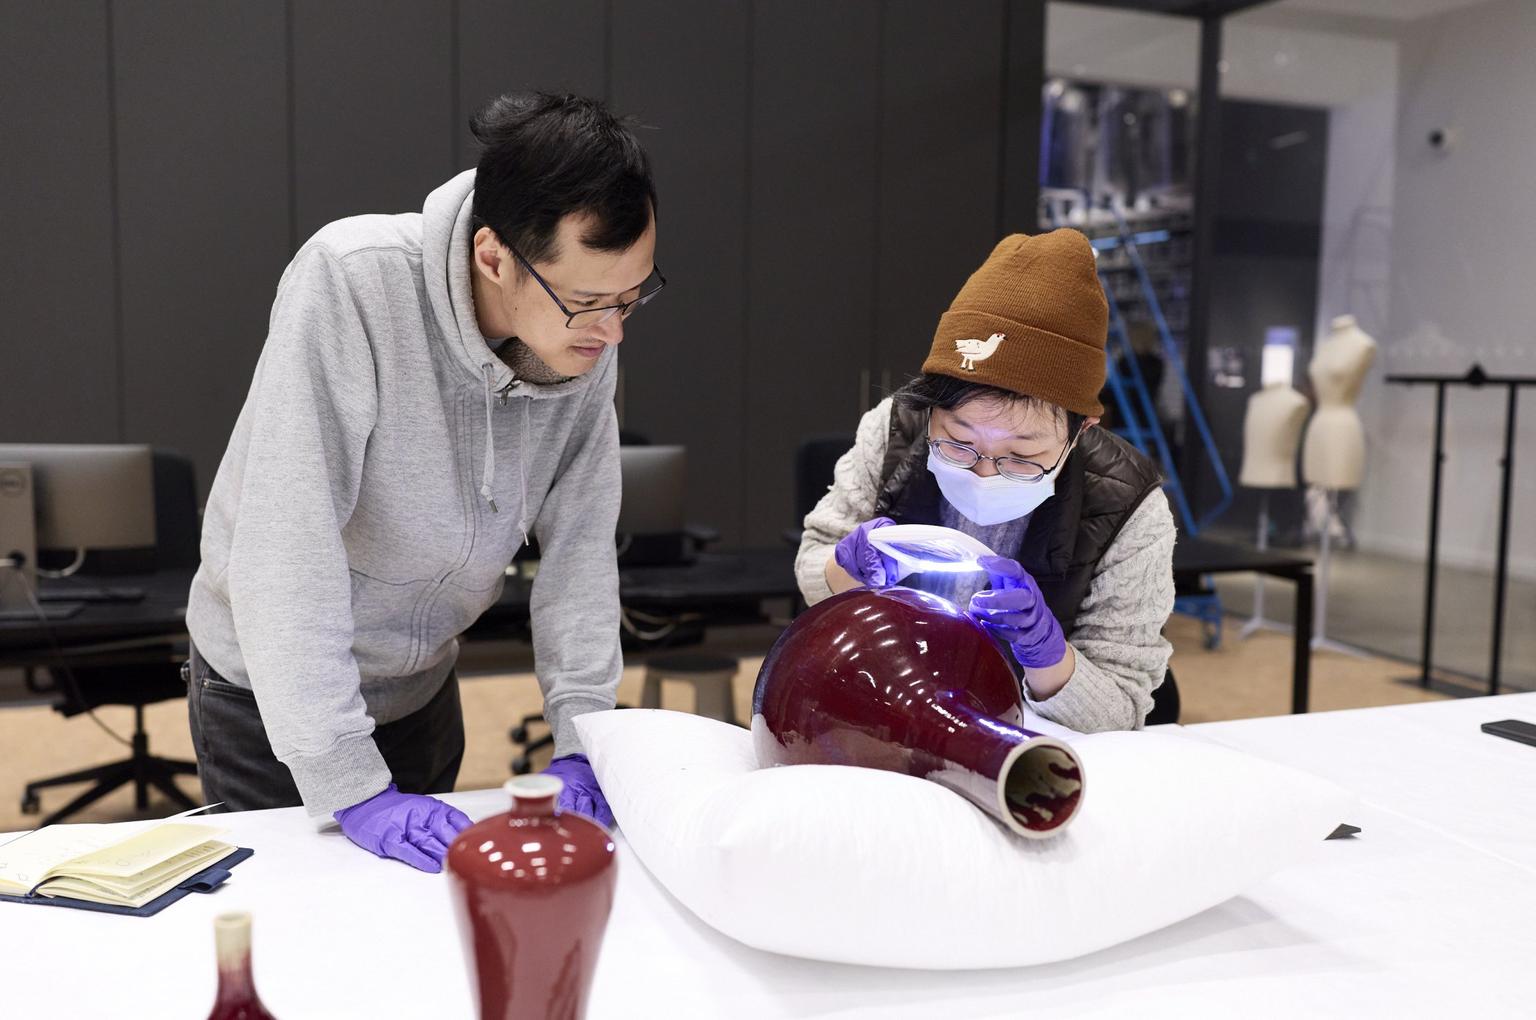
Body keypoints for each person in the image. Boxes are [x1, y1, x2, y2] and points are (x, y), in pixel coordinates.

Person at [184, 92, 663, 871]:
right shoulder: (352, 283)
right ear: (493, 255)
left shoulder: (583, 339)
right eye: (587, 304)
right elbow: (285, 544)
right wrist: (347, 780)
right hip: (275, 700)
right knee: (298, 944)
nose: (611, 332)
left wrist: (583, 738)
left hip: (422, 686)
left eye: (631, 298)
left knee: (417, 940)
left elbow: (579, 555)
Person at [796, 230, 1175, 730]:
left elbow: (1122, 704)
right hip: (888, 705)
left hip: (1024, 735)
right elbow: (814, 559)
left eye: (1021, 455)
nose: (982, 472)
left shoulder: (1131, 505)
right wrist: (844, 571)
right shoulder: (893, 431)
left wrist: (1047, 657)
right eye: (958, 442)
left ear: (1080, 428)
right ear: (931, 409)